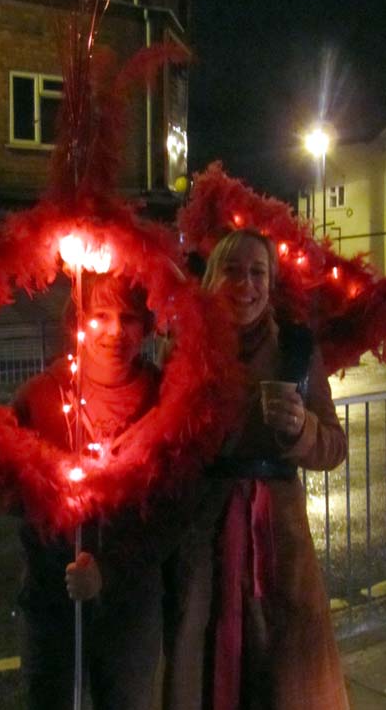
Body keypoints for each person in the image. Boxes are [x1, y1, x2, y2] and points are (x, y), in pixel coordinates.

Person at [163, 229, 349, 710]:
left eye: (257, 272)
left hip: (278, 543)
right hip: (203, 534)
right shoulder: (183, 349)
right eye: (232, 270)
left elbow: (334, 445)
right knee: (203, 653)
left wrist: (301, 429)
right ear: (212, 276)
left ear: (270, 282)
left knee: (282, 665)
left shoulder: (296, 350)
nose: (245, 283)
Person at [15, 272, 187, 710]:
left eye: (128, 317)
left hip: (130, 606)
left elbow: (174, 510)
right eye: (100, 314)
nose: (114, 331)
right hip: (54, 606)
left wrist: (108, 570)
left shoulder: (165, 400)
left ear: (146, 324)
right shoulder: (40, 398)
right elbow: (18, 502)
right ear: (78, 319)